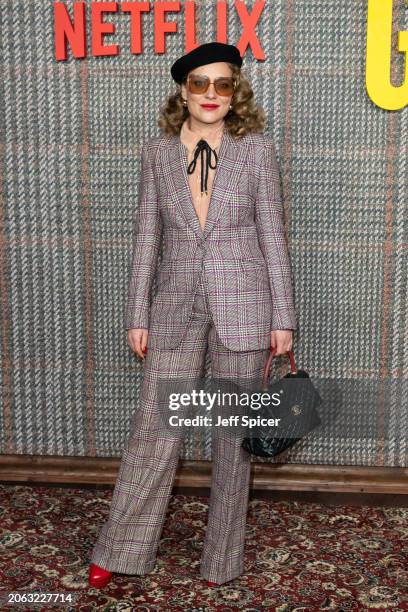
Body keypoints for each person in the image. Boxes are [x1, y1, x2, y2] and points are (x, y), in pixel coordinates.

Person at [88, 41, 297, 589]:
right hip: (174, 302)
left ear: (235, 93)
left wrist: (284, 317)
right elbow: (146, 238)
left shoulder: (257, 150)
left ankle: (221, 560)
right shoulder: (158, 151)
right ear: (184, 90)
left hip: (246, 302)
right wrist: (139, 312)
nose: (210, 94)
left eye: (222, 84)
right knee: (156, 428)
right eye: (200, 83)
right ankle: (120, 548)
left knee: (232, 439)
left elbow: (272, 235)